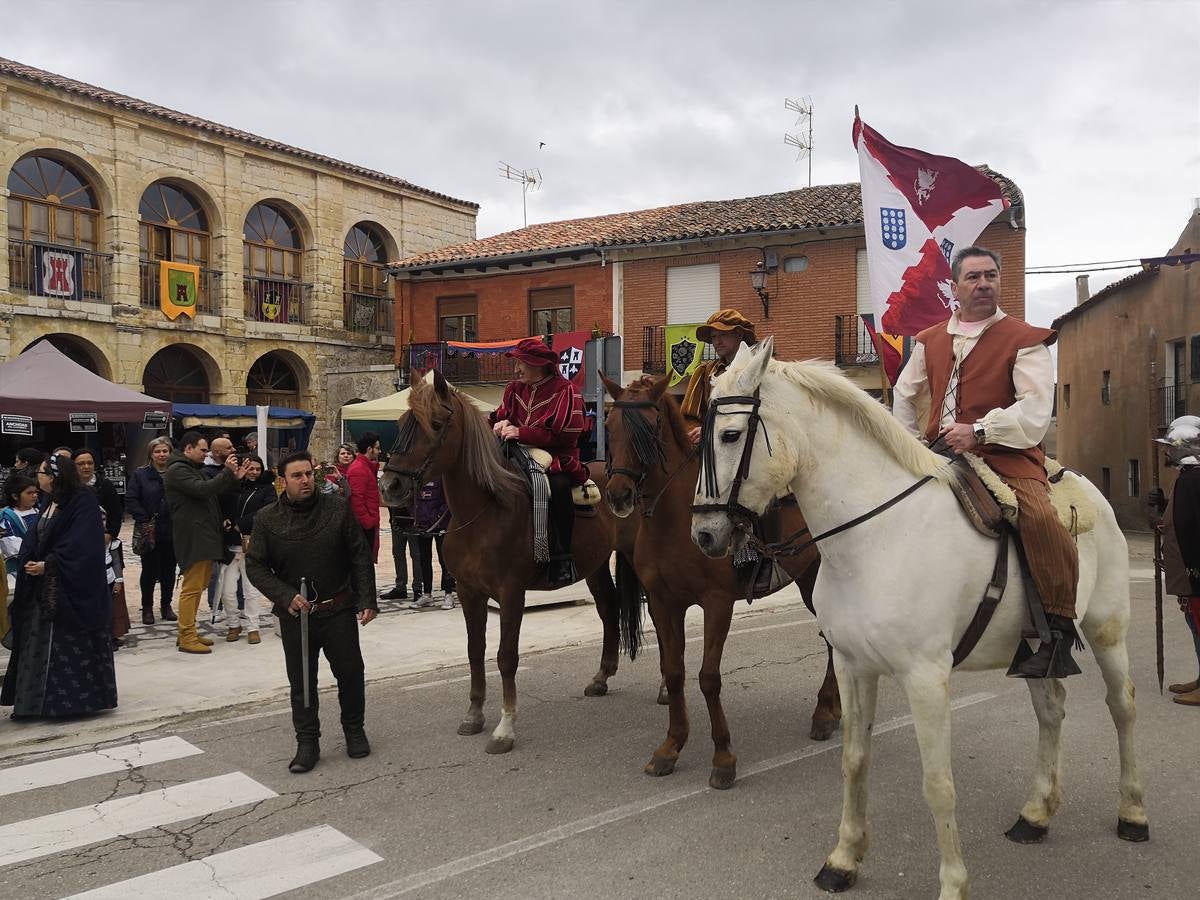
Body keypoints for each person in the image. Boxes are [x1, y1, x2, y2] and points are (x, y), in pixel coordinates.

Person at [893, 245, 1079, 679]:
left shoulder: (1025, 338)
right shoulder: (931, 339)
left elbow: (1035, 407)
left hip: (1006, 454)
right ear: (954, 287)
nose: (983, 284)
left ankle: (1057, 631)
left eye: (990, 275)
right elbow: (905, 395)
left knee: (1038, 516)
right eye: (973, 277)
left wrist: (979, 431)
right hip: (939, 452)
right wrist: (907, 443)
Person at [245, 451, 377, 774]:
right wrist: (285, 595)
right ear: (282, 481)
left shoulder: (337, 508)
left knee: (350, 672)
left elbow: (359, 554)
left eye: (308, 474)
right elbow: (256, 566)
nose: (305, 480)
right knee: (302, 681)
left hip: (338, 609)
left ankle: (354, 729)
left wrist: (367, 600)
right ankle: (307, 742)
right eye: (297, 476)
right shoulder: (266, 519)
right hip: (296, 616)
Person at [0, 454, 117, 718]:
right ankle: (32, 704)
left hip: (70, 591)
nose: (37, 478)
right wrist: (30, 561)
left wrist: (49, 564)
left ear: (53, 477)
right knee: (36, 646)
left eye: (40, 474)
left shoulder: (83, 501)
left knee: (63, 649)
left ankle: (66, 705)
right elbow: (36, 537)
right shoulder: (49, 502)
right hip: (42, 588)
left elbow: (84, 546)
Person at [490, 337, 587, 586]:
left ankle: (563, 557)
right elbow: (503, 415)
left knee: (560, 486)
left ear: (537, 364)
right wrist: (499, 423)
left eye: (520, 363)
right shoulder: (513, 389)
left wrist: (522, 432)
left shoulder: (566, 390)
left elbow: (568, 433)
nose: (516, 369)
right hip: (516, 453)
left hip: (557, 456)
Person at [164, 430, 250, 654]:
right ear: (188, 448)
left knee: (199, 585)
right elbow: (203, 491)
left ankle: (189, 631)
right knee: (192, 588)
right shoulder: (178, 470)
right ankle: (186, 636)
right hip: (194, 536)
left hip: (203, 534)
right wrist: (227, 473)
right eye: (203, 450)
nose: (206, 454)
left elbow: (214, 495)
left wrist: (234, 478)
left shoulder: (193, 469)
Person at [1152, 416, 1200, 707]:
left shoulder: (1194, 480)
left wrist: (1193, 571)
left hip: (1194, 569)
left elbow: (1194, 527)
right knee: (1194, 623)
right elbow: (1179, 521)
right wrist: (1161, 511)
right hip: (1188, 568)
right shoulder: (1187, 478)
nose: (1166, 452)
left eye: (1171, 447)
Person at [73, 448, 129, 648]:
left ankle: (111, 634)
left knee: (110, 592)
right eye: (81, 463)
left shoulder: (105, 486)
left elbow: (116, 513)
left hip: (105, 545)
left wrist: (108, 535)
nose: (86, 467)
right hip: (79, 548)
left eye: (90, 463)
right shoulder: (69, 489)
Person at [218, 455, 276, 644]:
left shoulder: (267, 489)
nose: (254, 473)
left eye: (258, 469)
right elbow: (221, 504)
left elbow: (267, 510)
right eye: (250, 469)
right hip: (230, 546)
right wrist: (226, 522)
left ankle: (253, 626)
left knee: (250, 590)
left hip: (253, 545)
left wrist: (240, 524)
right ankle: (234, 623)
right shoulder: (234, 486)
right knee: (227, 591)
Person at [680, 308, 760, 444]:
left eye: (722, 335)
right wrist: (701, 433)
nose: (717, 342)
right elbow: (689, 417)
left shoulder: (758, 371)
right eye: (713, 337)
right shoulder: (704, 372)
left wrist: (712, 431)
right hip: (714, 454)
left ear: (739, 334)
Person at [125, 437, 178, 625]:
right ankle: (147, 607)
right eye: (158, 451)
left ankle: (166, 605)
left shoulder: (177, 473)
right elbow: (131, 499)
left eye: (165, 451)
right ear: (151, 454)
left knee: (169, 570)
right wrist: (144, 518)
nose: (162, 454)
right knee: (149, 570)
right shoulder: (140, 475)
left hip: (172, 530)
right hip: (149, 531)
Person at [0, 475, 40, 643]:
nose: (34, 496)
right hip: (19, 567)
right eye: (29, 493)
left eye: (36, 492)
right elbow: (11, 545)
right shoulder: (6, 516)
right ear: (15, 496)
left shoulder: (41, 511)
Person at [412, 478, 456, 610]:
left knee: (445, 560)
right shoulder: (418, 479)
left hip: (440, 525)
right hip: (423, 526)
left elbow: (448, 500)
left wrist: (437, 517)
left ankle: (448, 594)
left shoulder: (441, 478)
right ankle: (427, 594)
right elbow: (412, 500)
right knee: (424, 560)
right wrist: (416, 516)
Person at [345, 432, 382, 562]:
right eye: (377, 448)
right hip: (364, 526)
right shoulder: (359, 469)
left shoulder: (365, 467)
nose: (379, 451)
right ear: (369, 449)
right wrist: (368, 522)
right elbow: (356, 500)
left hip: (368, 523)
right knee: (363, 563)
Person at [381, 502, 423, 602]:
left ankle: (418, 588)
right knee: (398, 554)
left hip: (413, 523)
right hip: (397, 522)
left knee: (416, 556)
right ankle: (400, 587)